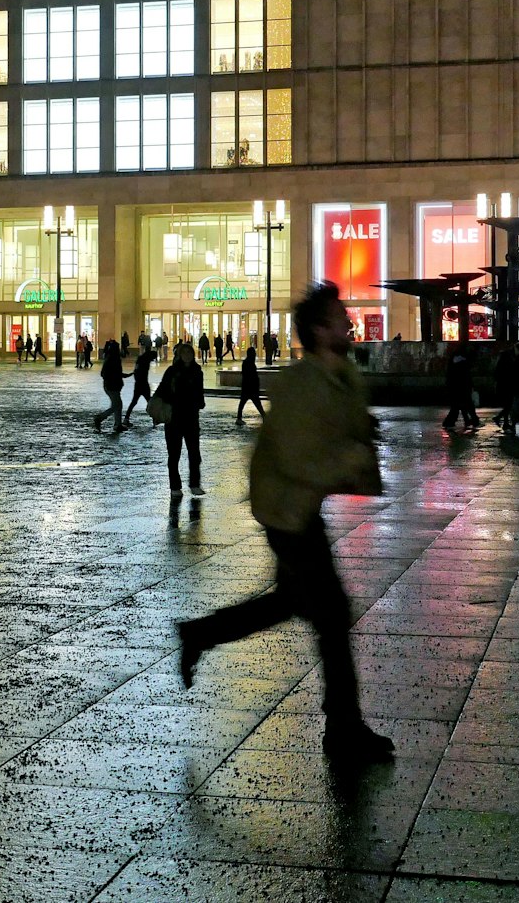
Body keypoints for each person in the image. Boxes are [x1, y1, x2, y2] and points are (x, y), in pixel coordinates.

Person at [176, 282, 393, 764]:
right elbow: (297, 459)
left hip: (300, 506)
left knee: (291, 602)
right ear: (319, 330)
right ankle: (343, 731)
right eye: (341, 318)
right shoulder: (300, 383)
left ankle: (199, 635)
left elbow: (343, 430)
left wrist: (358, 438)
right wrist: (351, 457)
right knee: (333, 614)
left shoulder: (340, 376)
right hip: (284, 510)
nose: (350, 324)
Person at [158, 342, 206, 495]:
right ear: (179, 355)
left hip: (191, 417)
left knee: (194, 453)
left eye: (189, 353)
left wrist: (199, 403)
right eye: (184, 353)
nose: (187, 356)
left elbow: (200, 392)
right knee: (174, 454)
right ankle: (175, 486)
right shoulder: (172, 371)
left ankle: (194, 484)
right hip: (174, 418)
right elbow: (162, 390)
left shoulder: (197, 371)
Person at [93, 340, 129, 433]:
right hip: (112, 386)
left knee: (117, 404)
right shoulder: (114, 359)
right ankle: (100, 418)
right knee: (116, 405)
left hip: (111, 385)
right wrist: (119, 376)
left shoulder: (109, 358)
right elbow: (109, 373)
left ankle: (118, 424)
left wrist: (122, 375)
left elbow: (110, 373)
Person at [124, 339, 158, 427]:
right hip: (143, 383)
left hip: (138, 383)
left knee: (134, 401)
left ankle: (126, 418)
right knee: (149, 401)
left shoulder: (141, 358)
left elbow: (136, 370)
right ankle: (155, 419)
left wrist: (136, 378)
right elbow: (153, 355)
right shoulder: (146, 358)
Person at [443, 348, 478, 433]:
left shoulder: (454, 365)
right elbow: (467, 378)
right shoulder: (463, 365)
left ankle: (450, 422)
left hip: (456, 389)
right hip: (463, 389)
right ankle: (473, 420)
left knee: (457, 407)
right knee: (466, 406)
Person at [236, 345, 266, 422]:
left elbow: (244, 374)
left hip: (246, 387)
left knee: (243, 403)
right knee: (257, 404)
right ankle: (264, 417)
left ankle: (239, 418)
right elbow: (252, 376)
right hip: (251, 387)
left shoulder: (246, 362)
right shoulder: (250, 363)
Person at [493, 345, 519, 431]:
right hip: (508, 387)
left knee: (507, 405)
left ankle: (505, 422)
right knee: (509, 405)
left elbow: (496, 376)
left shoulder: (500, 365)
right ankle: (501, 419)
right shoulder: (509, 364)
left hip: (501, 387)